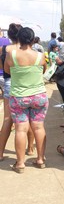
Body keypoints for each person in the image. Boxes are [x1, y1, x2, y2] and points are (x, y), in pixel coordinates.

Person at [4, 27, 48, 173]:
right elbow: (43, 70)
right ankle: (40, 159)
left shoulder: (11, 55)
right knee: (39, 127)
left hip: (19, 98)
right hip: (39, 96)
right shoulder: (40, 56)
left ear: (19, 38)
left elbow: (7, 70)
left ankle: (20, 163)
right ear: (32, 38)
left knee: (20, 129)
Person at [0, 23, 35, 161]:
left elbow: (3, 69)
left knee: (7, 119)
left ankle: (1, 152)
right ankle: (31, 148)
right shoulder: (26, 50)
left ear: (9, 35)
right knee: (30, 118)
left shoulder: (4, 49)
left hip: (9, 83)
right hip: (26, 85)